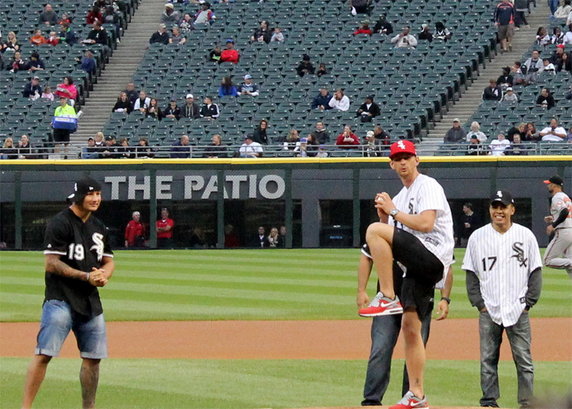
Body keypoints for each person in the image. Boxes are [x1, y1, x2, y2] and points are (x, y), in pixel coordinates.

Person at [358, 140, 454, 409]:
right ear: (391, 164)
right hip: (414, 268)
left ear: (417, 160)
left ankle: (387, 295)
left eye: (407, 157)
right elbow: (392, 245)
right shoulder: (398, 198)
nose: (402, 162)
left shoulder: (428, 185)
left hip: (432, 256)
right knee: (411, 328)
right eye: (397, 158)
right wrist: (387, 219)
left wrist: (392, 214)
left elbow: (425, 223)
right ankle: (417, 394)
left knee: (373, 230)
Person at [21, 177, 114, 409]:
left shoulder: (99, 226)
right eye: (90, 195)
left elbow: (109, 261)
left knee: (93, 359)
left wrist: (104, 275)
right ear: (79, 197)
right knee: (44, 354)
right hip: (59, 299)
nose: (95, 199)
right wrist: (85, 276)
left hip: (90, 301)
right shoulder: (60, 223)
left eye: (98, 195)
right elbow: (51, 263)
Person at [463, 190, 542, 409]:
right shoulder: (478, 237)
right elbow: (470, 273)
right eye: (495, 207)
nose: (499, 211)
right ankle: (489, 401)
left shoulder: (526, 236)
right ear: (490, 210)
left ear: (512, 210)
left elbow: (535, 271)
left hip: (518, 308)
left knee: (524, 361)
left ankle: (527, 403)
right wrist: (479, 304)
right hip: (489, 308)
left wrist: (528, 304)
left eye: (503, 207)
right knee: (488, 360)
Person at [359, 244, 452, 407]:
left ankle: (411, 397)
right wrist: (361, 290)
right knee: (380, 348)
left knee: (415, 349)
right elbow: (367, 255)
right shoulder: (388, 228)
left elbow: (447, 265)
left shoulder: (430, 230)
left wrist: (445, 298)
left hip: (419, 298)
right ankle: (371, 401)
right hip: (388, 302)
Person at [542, 176, 572, 276]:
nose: (548, 186)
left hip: (564, 232)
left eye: (549, 184)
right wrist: (553, 217)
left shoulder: (557, 197)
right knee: (569, 264)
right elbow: (567, 214)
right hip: (570, 230)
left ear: (554, 185)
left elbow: (564, 211)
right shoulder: (566, 197)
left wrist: (553, 225)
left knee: (547, 260)